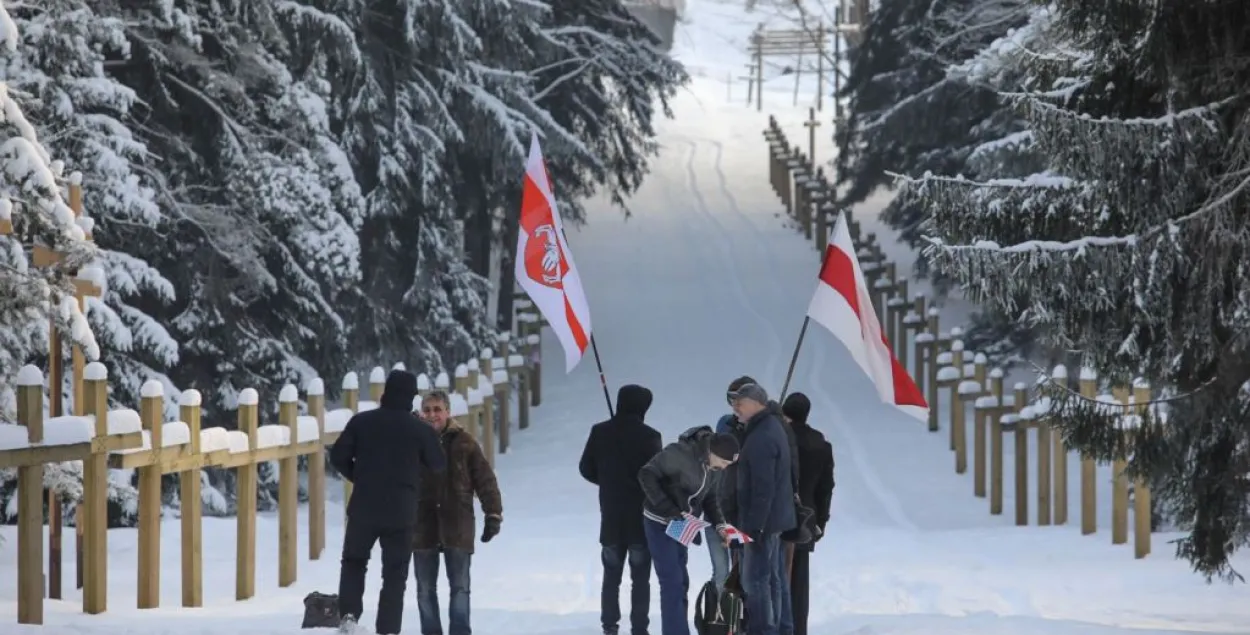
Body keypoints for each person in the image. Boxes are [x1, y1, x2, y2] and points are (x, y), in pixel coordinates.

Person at [331, 369, 446, 635]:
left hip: (363, 508)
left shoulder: (361, 422)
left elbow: (337, 457)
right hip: (402, 512)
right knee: (395, 574)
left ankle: (349, 619)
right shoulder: (419, 429)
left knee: (353, 563)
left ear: (385, 393)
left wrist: (358, 476)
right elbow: (438, 464)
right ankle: (388, 630)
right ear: (410, 398)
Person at [412, 390, 504, 635]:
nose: (432, 415)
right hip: (422, 525)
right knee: (424, 589)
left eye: (437, 409)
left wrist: (492, 514)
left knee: (460, 588)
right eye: (427, 409)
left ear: (448, 412)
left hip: (458, 524)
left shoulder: (465, 443)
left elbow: (486, 481)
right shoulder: (412, 442)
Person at [579, 384, 664, 635]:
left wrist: (607, 480)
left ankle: (610, 625)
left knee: (611, 575)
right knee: (640, 578)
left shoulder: (600, 432)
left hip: (611, 516)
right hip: (641, 518)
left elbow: (586, 468)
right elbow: (657, 477)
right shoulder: (650, 436)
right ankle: (639, 627)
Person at [638, 427, 740, 635]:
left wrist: (721, 525)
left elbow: (711, 499)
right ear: (714, 452)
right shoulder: (680, 453)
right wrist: (667, 508)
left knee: (681, 581)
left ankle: (678, 629)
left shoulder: (714, 469)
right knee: (672, 582)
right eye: (725, 462)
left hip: (682, 524)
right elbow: (646, 474)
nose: (725, 467)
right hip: (659, 521)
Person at [729, 383, 796, 635]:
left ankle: (762, 629)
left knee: (755, 581)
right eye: (733, 401)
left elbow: (762, 487)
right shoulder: (770, 428)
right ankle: (778, 628)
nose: (735, 406)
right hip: (774, 520)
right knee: (773, 580)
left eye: (740, 401)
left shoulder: (761, 437)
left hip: (762, 523)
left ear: (757, 403)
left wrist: (754, 526)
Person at [781, 393, 834, 635]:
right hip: (807, 518)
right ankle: (798, 629)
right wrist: (821, 521)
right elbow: (826, 487)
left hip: (779, 516)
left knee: (774, 576)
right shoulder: (821, 444)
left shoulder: (779, 438)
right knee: (799, 581)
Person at [705, 375, 758, 592]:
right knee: (721, 571)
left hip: (744, 507)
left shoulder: (761, 428)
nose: (735, 406)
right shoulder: (725, 424)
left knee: (745, 569)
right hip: (720, 505)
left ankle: (742, 618)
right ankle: (721, 619)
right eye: (732, 400)